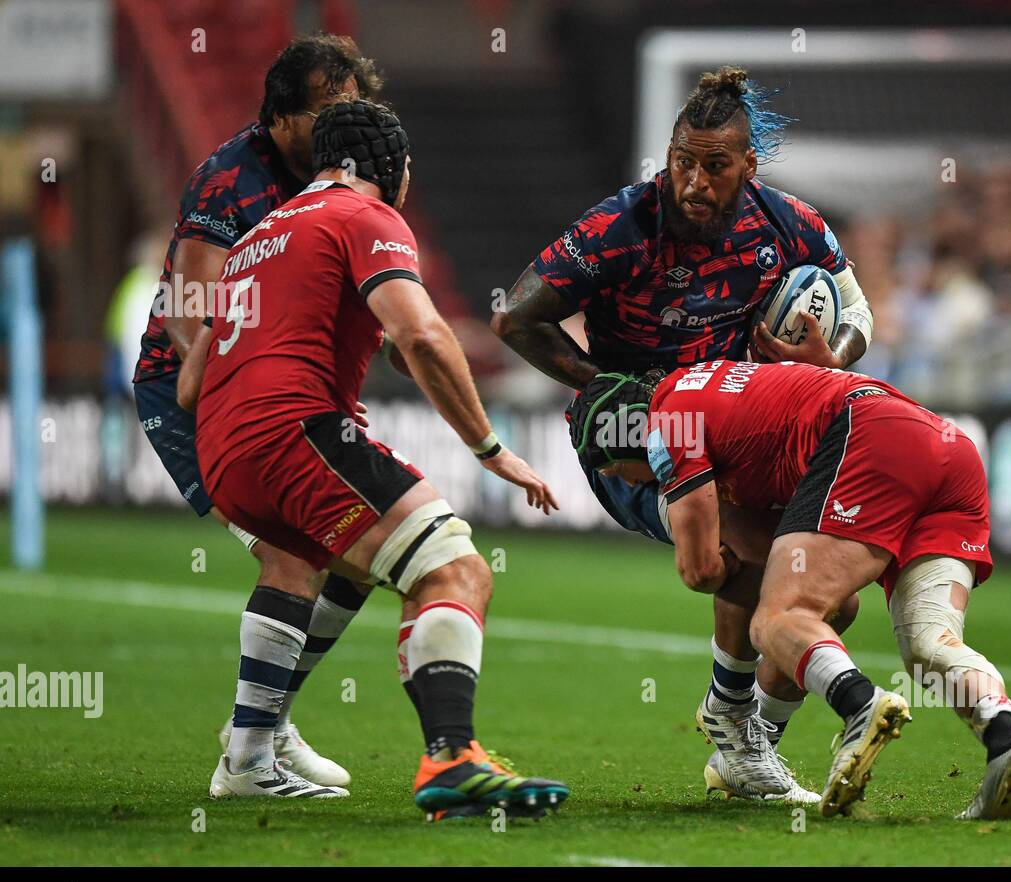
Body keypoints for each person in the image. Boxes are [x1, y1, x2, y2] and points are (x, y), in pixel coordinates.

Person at [492, 66, 876, 803]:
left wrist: (835, 360)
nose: (694, 182)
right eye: (682, 163)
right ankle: (737, 732)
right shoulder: (622, 225)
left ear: (747, 168)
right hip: (632, 432)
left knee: (833, 596)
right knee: (747, 554)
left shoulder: (786, 222)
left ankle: (744, 735)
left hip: (733, 422)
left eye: (714, 166)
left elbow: (858, 310)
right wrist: (599, 381)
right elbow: (514, 317)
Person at [185, 99, 569, 819]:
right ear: (389, 169)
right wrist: (490, 449)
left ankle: (248, 752)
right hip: (294, 430)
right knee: (455, 567)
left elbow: (189, 383)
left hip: (224, 450)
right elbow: (421, 335)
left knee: (340, 564)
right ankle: (453, 754)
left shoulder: (257, 238)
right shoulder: (368, 216)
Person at [570, 360, 1011, 820]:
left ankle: (859, 705)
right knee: (928, 644)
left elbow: (699, 570)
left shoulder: (669, 424)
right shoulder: (705, 386)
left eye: (611, 467)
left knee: (777, 618)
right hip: (947, 450)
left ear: (627, 432)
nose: (619, 479)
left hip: (871, 438)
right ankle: (1007, 741)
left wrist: (722, 563)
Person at [132, 35, 383, 791]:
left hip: (283, 393)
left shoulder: (345, 175)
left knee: (362, 547)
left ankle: (264, 721)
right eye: (327, 113)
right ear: (280, 116)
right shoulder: (229, 180)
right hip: (193, 392)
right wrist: (248, 390)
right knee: (295, 553)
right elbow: (188, 309)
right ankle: (247, 758)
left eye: (353, 112)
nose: (342, 128)